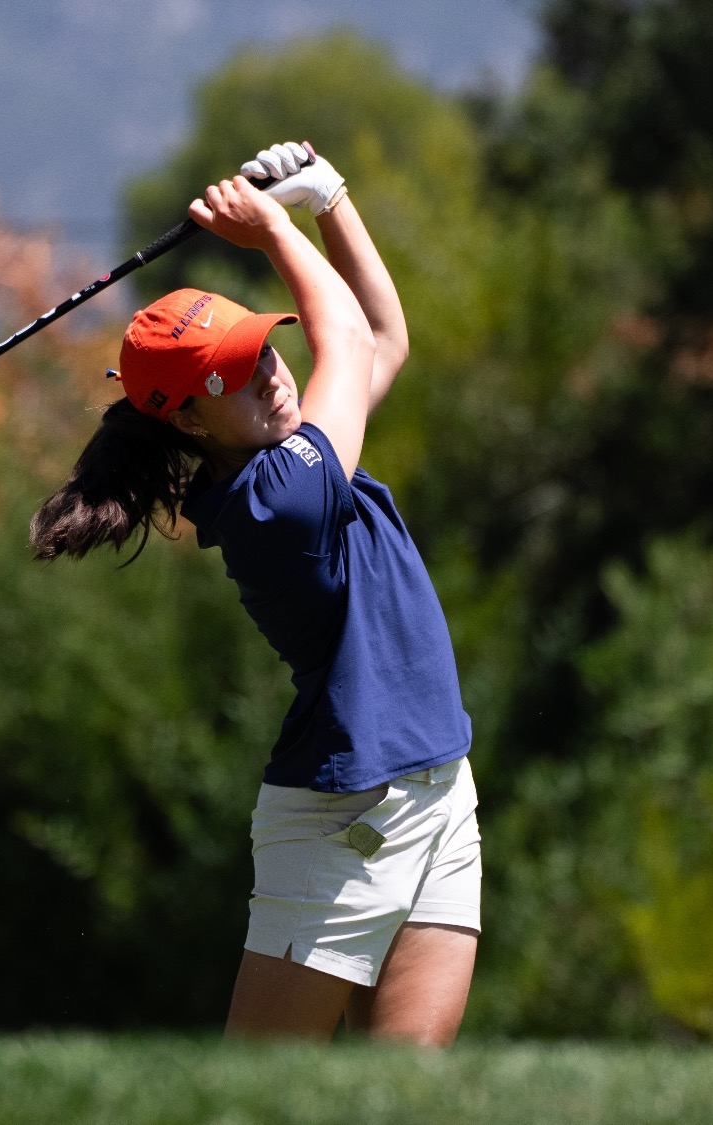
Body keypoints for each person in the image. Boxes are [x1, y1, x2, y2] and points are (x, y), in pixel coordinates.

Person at [30, 142, 479, 1045]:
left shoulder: (302, 452)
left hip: (440, 793)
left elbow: (385, 340)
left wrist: (331, 199)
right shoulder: (274, 501)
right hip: (340, 820)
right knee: (259, 1099)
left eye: (261, 345)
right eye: (233, 373)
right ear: (188, 418)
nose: (271, 368)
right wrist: (277, 222)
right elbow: (346, 339)